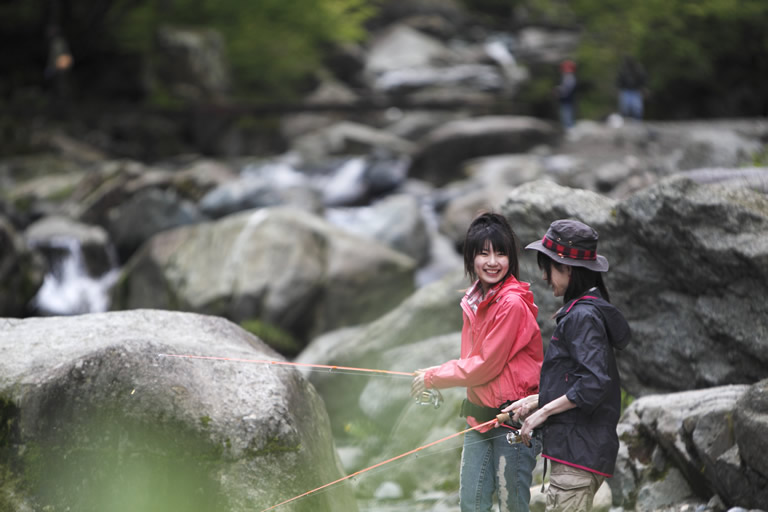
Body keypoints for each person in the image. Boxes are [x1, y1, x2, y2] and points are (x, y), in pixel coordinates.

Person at [411, 212, 543, 512]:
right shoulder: (474, 300)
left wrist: (435, 377)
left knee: (513, 506)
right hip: (479, 418)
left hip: (512, 421)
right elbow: (471, 361)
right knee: (471, 504)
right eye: (483, 253)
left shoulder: (510, 303)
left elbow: (485, 365)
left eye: (500, 253)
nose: (492, 261)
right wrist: (436, 374)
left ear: (511, 258)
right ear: (471, 258)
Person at [501, 219, 631, 512]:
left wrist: (542, 413)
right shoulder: (587, 310)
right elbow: (578, 380)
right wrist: (535, 401)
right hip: (580, 451)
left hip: (578, 454)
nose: (545, 277)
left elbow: (594, 383)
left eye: (547, 267)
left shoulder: (582, 317)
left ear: (568, 269)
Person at [555, 60, 577, 130]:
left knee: (567, 113)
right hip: (566, 99)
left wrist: (558, 90)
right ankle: (568, 127)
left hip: (567, 99)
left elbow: (567, 88)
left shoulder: (569, 76)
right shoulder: (567, 76)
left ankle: (569, 128)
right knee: (565, 113)